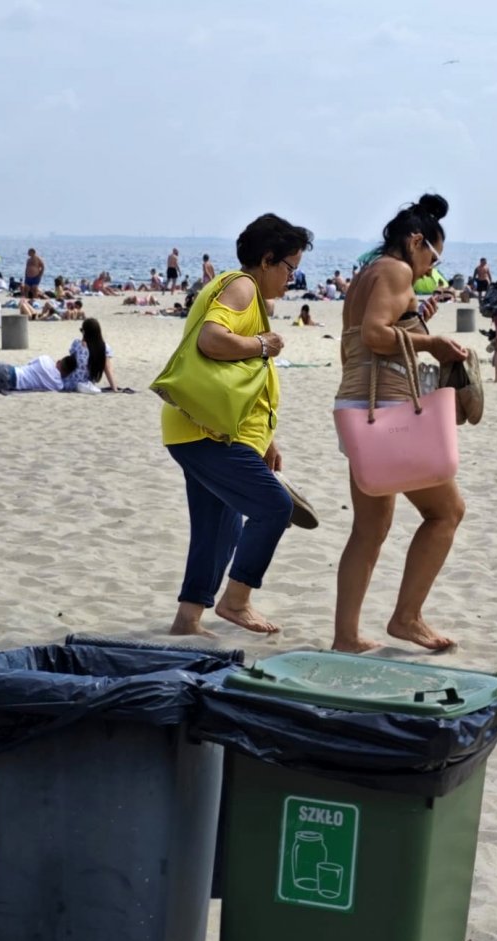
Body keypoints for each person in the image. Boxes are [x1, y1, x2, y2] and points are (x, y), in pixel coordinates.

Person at [161, 212, 312, 638]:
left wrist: (267, 437)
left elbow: (243, 380)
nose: (291, 279)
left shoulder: (237, 288)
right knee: (274, 507)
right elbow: (212, 340)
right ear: (267, 259)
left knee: (218, 525)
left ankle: (187, 621)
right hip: (207, 432)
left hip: (204, 428)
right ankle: (237, 599)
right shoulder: (242, 286)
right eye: (290, 268)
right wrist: (265, 343)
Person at [333, 193, 467, 653]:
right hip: (387, 410)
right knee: (447, 512)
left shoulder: (366, 273)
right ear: (416, 241)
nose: (431, 270)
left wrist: (415, 326)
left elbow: (360, 338)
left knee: (369, 529)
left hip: (357, 405)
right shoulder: (396, 270)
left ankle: (346, 637)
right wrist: (430, 344)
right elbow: (374, 334)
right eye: (432, 256)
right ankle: (407, 618)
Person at [63, 317, 118, 392]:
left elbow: (72, 364)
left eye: (82, 330)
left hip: (71, 382)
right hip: (88, 384)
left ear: (84, 332)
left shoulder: (76, 344)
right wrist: (115, 388)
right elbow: (108, 369)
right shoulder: (104, 348)